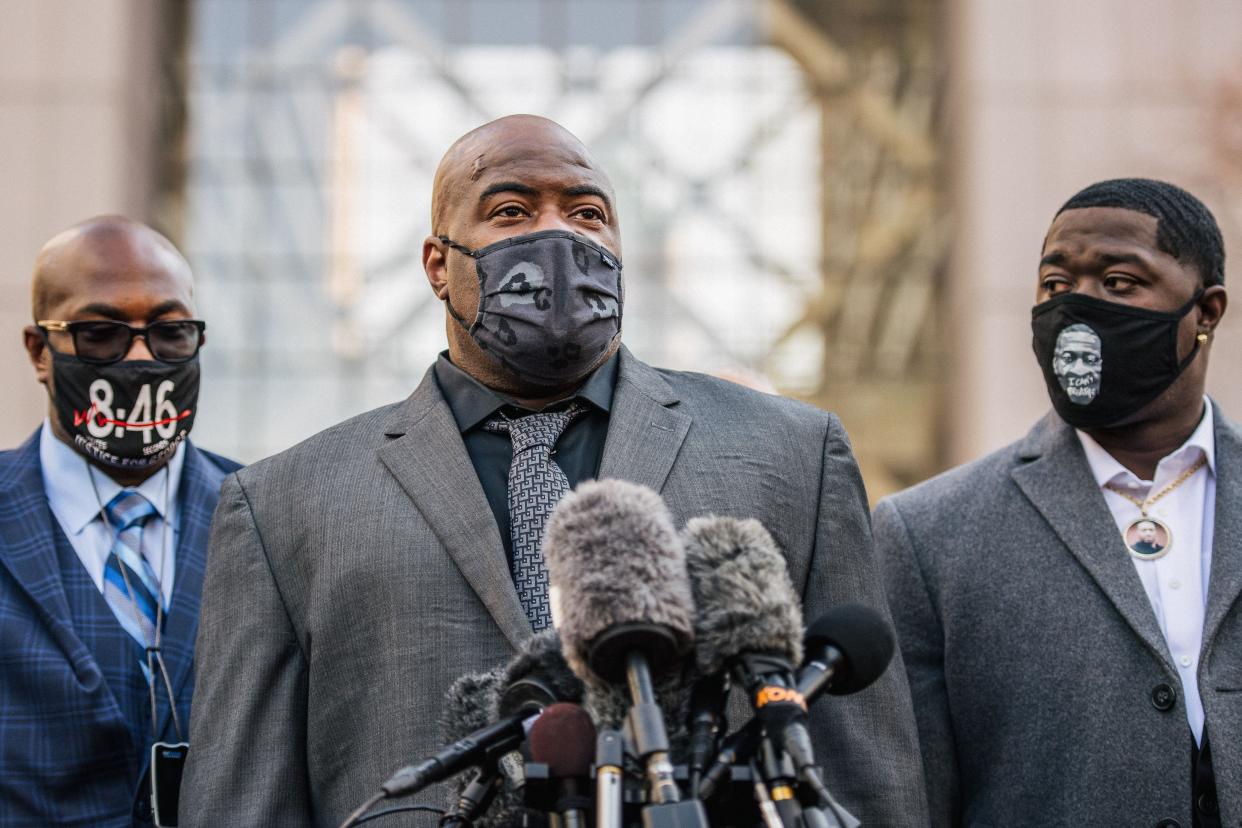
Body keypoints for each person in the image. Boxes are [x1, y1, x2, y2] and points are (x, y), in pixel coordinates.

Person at [181, 115, 928, 826]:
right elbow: (243, 802)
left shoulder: (793, 453)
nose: (558, 235)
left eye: (588, 213)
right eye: (510, 211)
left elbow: (870, 776)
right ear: (439, 265)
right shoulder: (281, 504)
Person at [875, 178, 1238, 827]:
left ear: (1206, 311)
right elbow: (909, 799)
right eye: (1055, 286)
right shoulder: (927, 535)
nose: (1076, 309)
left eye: (1119, 283)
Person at [0, 217, 240, 827]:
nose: (141, 359)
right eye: (101, 334)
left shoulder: (272, 513)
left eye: (170, 332)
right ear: (39, 350)